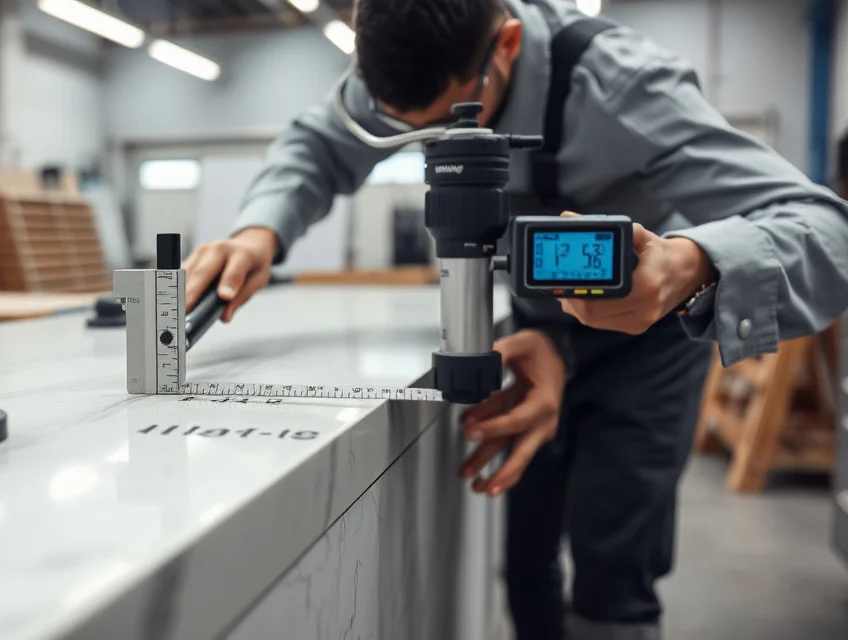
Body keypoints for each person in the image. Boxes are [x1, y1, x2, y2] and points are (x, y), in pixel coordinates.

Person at [181, 1, 848, 638]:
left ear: (506, 46)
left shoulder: (624, 85)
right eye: (414, 136)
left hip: (648, 335)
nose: (434, 148)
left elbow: (827, 233)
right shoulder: (403, 72)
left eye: (451, 122)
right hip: (533, 329)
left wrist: (693, 263)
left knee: (614, 553)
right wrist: (257, 233)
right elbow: (318, 147)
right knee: (525, 548)